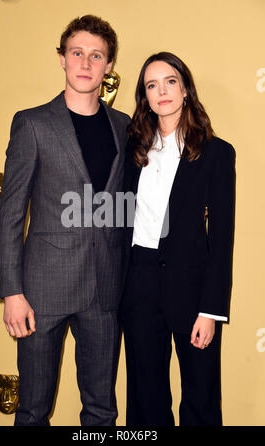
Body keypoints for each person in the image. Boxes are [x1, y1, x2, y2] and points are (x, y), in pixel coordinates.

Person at [0, 15, 130, 426]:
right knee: (33, 410)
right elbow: (11, 214)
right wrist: (12, 292)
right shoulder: (33, 123)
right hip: (41, 293)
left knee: (102, 410)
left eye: (96, 55)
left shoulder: (124, 127)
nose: (86, 63)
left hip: (105, 293)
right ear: (62, 59)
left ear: (108, 65)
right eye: (77, 53)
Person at [120, 52, 236, 426]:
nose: (162, 91)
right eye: (152, 85)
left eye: (170, 81)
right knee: (144, 398)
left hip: (193, 289)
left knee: (201, 398)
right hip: (139, 283)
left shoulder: (216, 153)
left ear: (185, 89)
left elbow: (221, 239)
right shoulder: (132, 151)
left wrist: (211, 309)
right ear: (145, 97)